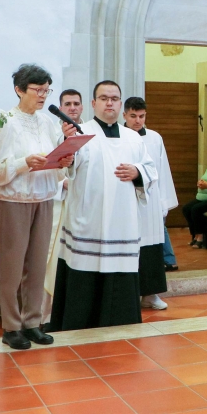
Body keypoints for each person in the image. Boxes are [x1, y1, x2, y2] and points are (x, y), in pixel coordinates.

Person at [50, 80, 157, 330]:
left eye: (114, 99)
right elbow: (66, 164)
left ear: (120, 104)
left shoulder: (133, 138)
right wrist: (67, 147)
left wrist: (137, 171)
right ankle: (80, 326)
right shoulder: (81, 134)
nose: (110, 103)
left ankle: (121, 325)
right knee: (84, 272)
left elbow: (151, 170)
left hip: (123, 222)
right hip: (89, 221)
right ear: (93, 103)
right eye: (104, 98)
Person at [0, 64, 75, 350]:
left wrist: (63, 162)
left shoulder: (46, 123)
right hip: (14, 202)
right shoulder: (4, 122)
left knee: (37, 265)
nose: (43, 95)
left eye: (47, 90)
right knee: (12, 267)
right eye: (38, 90)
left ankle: (32, 322)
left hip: (44, 200)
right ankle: (12, 327)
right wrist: (24, 163)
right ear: (19, 90)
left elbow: (55, 167)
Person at [124, 97, 177, 309]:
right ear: (124, 115)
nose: (138, 121)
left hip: (151, 202)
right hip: (126, 202)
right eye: (133, 116)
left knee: (151, 248)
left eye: (142, 116)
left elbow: (162, 170)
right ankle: (129, 296)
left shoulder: (155, 138)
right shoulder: (118, 137)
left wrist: (164, 202)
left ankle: (150, 295)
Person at [43, 89, 83, 322]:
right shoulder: (49, 133)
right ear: (60, 108)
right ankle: (48, 314)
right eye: (67, 104)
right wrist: (62, 184)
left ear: (82, 107)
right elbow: (44, 166)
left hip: (81, 205)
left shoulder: (89, 132)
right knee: (52, 258)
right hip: (56, 204)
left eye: (76, 103)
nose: (72, 108)